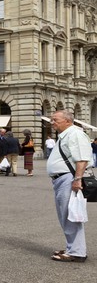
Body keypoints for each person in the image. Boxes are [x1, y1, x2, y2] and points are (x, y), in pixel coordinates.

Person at [46, 110, 90, 262]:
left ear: (67, 121)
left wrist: (77, 179)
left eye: (55, 119)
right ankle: (73, 248)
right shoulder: (66, 135)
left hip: (68, 179)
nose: (52, 122)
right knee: (66, 215)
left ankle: (77, 252)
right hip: (63, 179)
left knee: (71, 216)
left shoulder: (75, 134)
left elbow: (82, 159)